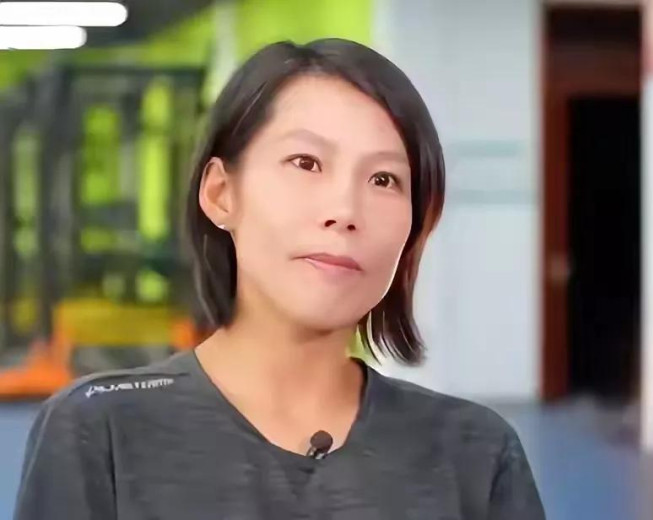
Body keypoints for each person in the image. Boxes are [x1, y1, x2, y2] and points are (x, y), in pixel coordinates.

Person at [14, 39, 545, 520]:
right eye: (306, 162)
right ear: (221, 194)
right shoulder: (100, 430)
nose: (345, 210)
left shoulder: (476, 453)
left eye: (384, 179)